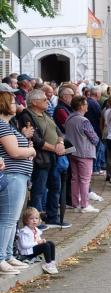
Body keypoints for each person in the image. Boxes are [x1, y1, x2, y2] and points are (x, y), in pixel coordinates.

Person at [20, 90, 70, 227]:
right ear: (34, 102)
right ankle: (35, 221)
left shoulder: (46, 113)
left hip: (53, 157)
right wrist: (55, 148)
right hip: (40, 159)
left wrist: (60, 143)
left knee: (55, 187)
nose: (47, 101)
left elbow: (58, 131)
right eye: (44, 99)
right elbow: (36, 140)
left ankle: (52, 216)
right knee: (38, 190)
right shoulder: (26, 116)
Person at [0, 90, 36, 274]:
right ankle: (1, 258)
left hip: (18, 175)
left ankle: (7, 255)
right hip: (12, 175)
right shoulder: (2, 126)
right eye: (13, 102)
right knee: (8, 219)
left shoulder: (9, 125)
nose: (16, 105)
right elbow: (14, 152)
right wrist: (31, 151)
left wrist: (27, 150)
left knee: (12, 220)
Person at [63, 96, 100, 214]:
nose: (87, 106)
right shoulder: (84, 120)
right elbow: (94, 138)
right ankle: (85, 204)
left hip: (72, 152)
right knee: (85, 180)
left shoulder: (69, 118)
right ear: (81, 106)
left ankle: (76, 203)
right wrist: (96, 141)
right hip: (85, 152)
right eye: (85, 104)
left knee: (75, 178)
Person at [16, 207, 57, 274]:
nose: (34, 220)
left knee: (50, 243)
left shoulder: (36, 229)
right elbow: (24, 245)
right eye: (31, 219)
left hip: (33, 249)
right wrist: (37, 243)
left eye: (36, 218)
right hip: (27, 252)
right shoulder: (24, 232)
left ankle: (52, 262)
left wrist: (41, 241)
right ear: (26, 221)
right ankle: (48, 264)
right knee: (45, 245)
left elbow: (38, 239)